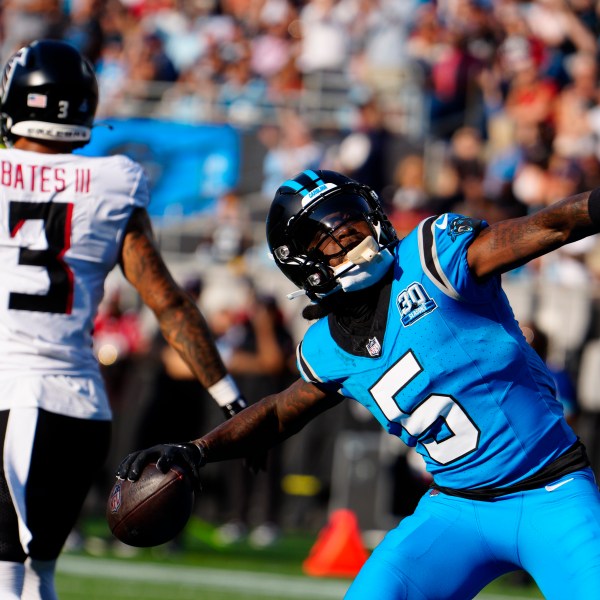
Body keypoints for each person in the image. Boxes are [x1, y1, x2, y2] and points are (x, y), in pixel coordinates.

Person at [118, 168, 600, 598]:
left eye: (353, 221)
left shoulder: (433, 260)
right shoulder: (324, 347)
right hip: (457, 509)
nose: (350, 235)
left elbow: (548, 225)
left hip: (553, 491)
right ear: (301, 260)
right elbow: (280, 411)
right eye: (330, 235)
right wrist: (198, 450)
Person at [0, 39, 246, 600]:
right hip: (79, 406)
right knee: (37, 576)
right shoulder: (112, 181)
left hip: (15, 395)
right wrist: (231, 398)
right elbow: (168, 300)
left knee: (6, 579)